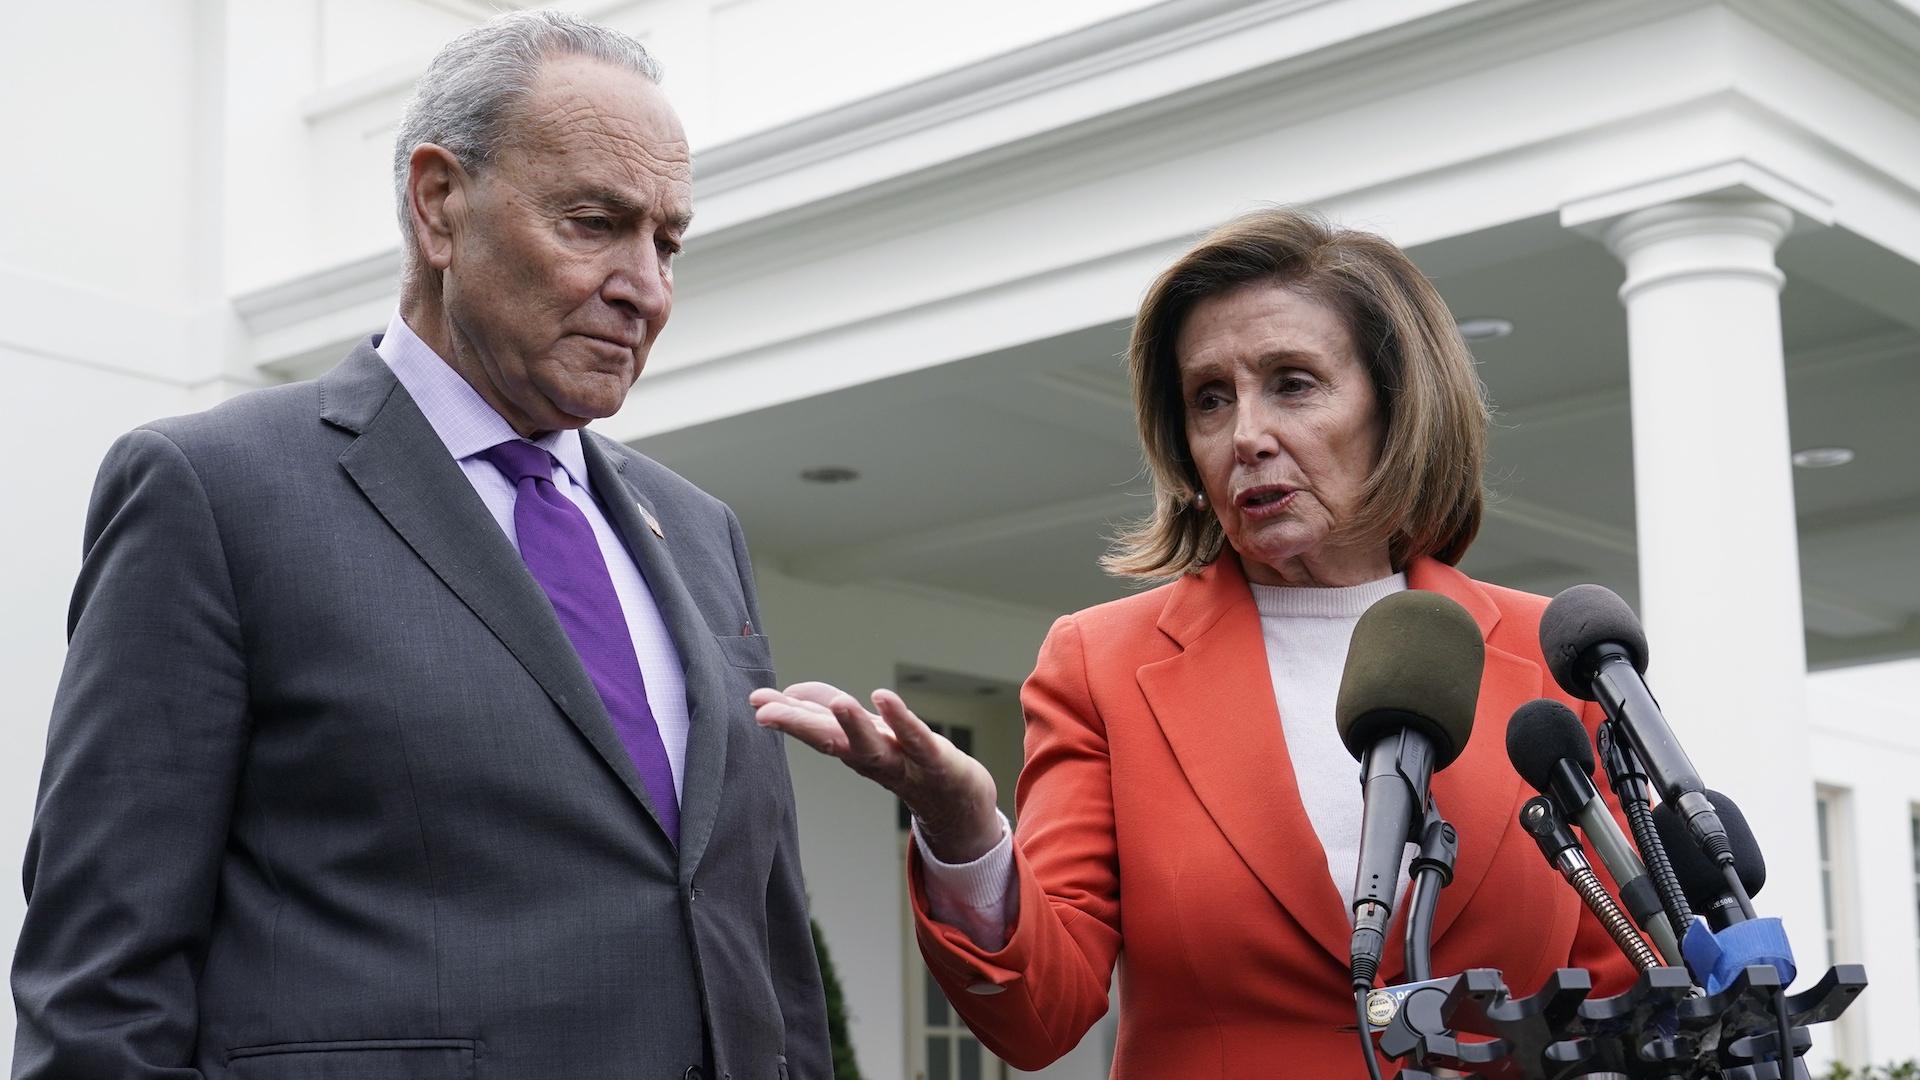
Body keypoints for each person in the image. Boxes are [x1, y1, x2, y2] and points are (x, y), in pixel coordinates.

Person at [11, 12, 827, 1079]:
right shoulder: (213, 491)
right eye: (595, 223)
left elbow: (761, 940)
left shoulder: (702, 532)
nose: (648, 288)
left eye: (666, 242)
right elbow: (99, 988)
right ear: (439, 203)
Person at [754, 208, 1638, 1076]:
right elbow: (1040, 1015)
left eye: (1292, 383)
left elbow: (1625, 994)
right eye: (1210, 399)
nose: (1246, 434)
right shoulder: (1102, 667)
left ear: (1396, 405)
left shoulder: (1550, 654)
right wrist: (963, 831)